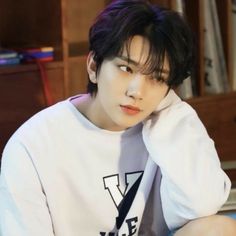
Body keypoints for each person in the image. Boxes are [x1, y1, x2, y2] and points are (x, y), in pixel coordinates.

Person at [0, 0, 235, 235]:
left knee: (219, 228)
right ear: (94, 66)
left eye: (157, 77)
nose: (137, 91)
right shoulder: (32, 145)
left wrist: (171, 109)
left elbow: (202, 204)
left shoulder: (169, 124)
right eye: (126, 68)